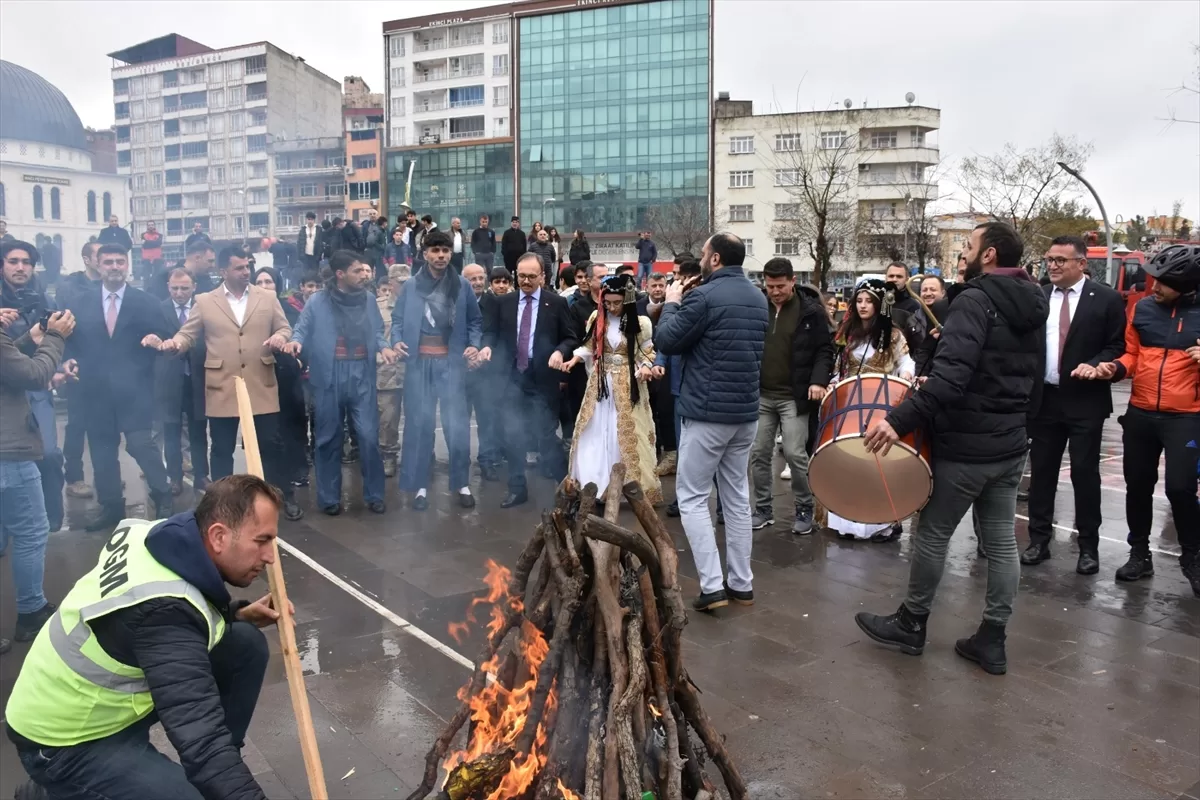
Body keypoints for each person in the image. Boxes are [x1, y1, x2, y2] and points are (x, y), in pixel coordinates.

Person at [5, 475, 286, 800]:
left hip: (99, 701)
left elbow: (158, 624)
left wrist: (235, 614)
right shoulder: (163, 615)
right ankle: (58, 788)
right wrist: (215, 765)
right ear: (219, 536)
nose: (270, 556)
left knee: (244, 643)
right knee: (197, 779)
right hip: (66, 739)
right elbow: (201, 738)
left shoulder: (165, 536)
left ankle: (220, 775)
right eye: (261, 541)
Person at [856, 221, 1047, 676]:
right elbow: (1034, 376)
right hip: (1009, 442)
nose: (963, 251)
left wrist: (896, 420)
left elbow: (952, 380)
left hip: (966, 445)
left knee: (933, 534)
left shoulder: (975, 301)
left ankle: (912, 622)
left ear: (990, 255)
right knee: (1001, 541)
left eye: (970, 244)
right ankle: (993, 639)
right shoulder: (1035, 301)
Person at [1077, 244, 1200, 595]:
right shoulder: (1144, 309)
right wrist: (1113, 368)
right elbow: (1132, 354)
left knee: (1180, 488)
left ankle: (1193, 555)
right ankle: (1139, 553)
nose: (1153, 286)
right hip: (1142, 412)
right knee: (1139, 486)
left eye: (1162, 282)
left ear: (1187, 282)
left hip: (1187, 417)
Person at [655, 233, 768, 611]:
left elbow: (668, 340)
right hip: (745, 414)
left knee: (691, 498)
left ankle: (712, 586)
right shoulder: (758, 296)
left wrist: (672, 303)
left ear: (715, 258)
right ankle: (742, 584)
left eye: (704, 253)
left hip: (706, 414)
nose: (701, 259)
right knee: (736, 498)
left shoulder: (703, 296)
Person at [158, 246, 303, 521]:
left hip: (261, 381)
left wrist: (281, 338)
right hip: (222, 384)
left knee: (270, 444)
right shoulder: (205, 301)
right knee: (222, 448)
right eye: (239, 268)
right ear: (223, 271)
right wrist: (174, 344)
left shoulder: (267, 297)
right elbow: (187, 334)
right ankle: (223, 506)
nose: (246, 271)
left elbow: (284, 327)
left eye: (247, 266)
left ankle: (281, 497)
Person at [1021, 235, 1126, 575]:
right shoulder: (1038, 297)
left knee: (1084, 474)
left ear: (1081, 263)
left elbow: (1116, 345)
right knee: (1042, 474)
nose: (1052, 265)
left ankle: (1088, 547)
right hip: (1044, 400)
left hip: (1085, 400)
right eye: (1049, 259)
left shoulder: (1106, 300)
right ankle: (1038, 540)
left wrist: (1098, 364)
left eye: (1060, 260)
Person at [66, 244, 174, 531]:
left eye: (119, 262)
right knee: (102, 452)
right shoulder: (80, 302)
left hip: (135, 390)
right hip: (95, 390)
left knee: (141, 445)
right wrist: (67, 362)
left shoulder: (147, 302)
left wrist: (157, 338)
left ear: (128, 265)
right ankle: (111, 506)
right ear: (98, 266)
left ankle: (162, 495)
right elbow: (68, 341)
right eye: (108, 262)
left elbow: (165, 335)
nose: (114, 266)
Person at [284, 252, 395, 515]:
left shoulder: (368, 299)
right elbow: (302, 327)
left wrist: (384, 347)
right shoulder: (318, 301)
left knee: (368, 436)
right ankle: (329, 498)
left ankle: (375, 494)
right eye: (357, 271)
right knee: (327, 438)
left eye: (364, 271)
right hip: (329, 373)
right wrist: (296, 341)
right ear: (340, 274)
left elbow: (377, 330)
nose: (364, 275)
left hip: (361, 372)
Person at [0, 296, 74, 652]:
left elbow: (6, 361)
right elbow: (32, 374)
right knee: (31, 531)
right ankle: (31, 611)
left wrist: (29, 338)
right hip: (7, 452)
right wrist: (54, 338)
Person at [391, 231, 482, 510]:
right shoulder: (410, 286)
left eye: (445, 250)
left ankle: (461, 484)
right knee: (420, 425)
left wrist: (474, 345)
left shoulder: (463, 285)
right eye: (435, 251)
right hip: (420, 366)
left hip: (452, 365)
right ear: (425, 254)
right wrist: (396, 341)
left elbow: (475, 323)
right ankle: (419, 486)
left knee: (456, 426)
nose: (441, 255)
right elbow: (396, 320)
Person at [822, 278, 915, 542]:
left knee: (877, 465)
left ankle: (882, 524)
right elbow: (839, 368)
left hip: (881, 404)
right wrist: (832, 384)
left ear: (879, 305)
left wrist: (906, 376)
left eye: (868, 302)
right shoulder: (847, 333)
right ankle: (848, 523)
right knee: (849, 462)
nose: (863, 306)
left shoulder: (893, 335)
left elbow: (907, 362)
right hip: (850, 404)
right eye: (859, 301)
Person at [484, 252, 578, 508]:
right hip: (512, 379)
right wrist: (486, 347)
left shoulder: (555, 303)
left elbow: (570, 338)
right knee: (512, 435)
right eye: (521, 276)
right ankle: (517, 489)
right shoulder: (504, 303)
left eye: (531, 276)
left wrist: (560, 351)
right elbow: (490, 333)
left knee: (546, 437)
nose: (525, 281)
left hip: (542, 381)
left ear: (543, 277)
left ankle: (566, 491)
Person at [749, 258, 834, 536]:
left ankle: (804, 506)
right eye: (770, 285)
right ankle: (763, 508)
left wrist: (818, 380)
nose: (774, 291)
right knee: (759, 452)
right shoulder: (757, 306)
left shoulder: (810, 311)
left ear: (793, 280)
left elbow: (825, 350)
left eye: (780, 286)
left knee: (796, 454)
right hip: (761, 394)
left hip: (793, 396)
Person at [565, 273, 662, 503]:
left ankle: (628, 489)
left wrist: (646, 367)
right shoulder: (596, 319)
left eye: (617, 303)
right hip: (600, 386)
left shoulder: (641, 323)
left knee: (625, 435)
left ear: (626, 300)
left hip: (628, 385)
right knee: (593, 432)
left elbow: (647, 351)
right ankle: (594, 485)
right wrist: (574, 359)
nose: (612, 307)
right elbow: (589, 346)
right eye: (607, 303)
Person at [1, 241, 69, 533]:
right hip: (7, 391)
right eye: (13, 261)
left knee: (50, 453)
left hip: (38, 382)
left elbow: (56, 338)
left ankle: (52, 517)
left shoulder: (41, 295)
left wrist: (61, 366)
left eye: (26, 262)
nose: (20, 267)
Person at [252, 267, 309, 499]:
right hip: (259, 377)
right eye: (260, 282)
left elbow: (304, 339)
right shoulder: (248, 312)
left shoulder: (290, 311)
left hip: (286, 378)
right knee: (266, 431)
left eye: (269, 282)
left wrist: (299, 362)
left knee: (292, 427)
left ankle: (296, 472)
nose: (265, 287)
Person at [155, 267, 209, 495]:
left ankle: (201, 476)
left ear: (194, 287)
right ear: (168, 286)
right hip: (170, 378)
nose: (179, 293)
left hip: (197, 376)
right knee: (171, 430)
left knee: (198, 430)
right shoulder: (159, 309)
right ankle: (174, 477)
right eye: (174, 288)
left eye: (184, 288)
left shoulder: (203, 308)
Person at [60, 242, 102, 500]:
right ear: (87, 259)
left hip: (105, 369)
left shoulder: (113, 286)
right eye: (100, 256)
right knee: (77, 424)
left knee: (103, 427)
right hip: (77, 366)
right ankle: (74, 478)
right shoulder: (70, 289)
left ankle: (105, 475)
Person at [464, 263, 504, 481]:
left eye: (481, 278)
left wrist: (486, 351)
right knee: (459, 420)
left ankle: (487, 461)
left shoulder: (494, 303)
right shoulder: (456, 302)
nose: (478, 282)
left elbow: (498, 333)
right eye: (473, 279)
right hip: (462, 372)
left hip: (487, 373)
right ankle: (459, 462)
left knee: (487, 420)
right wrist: (466, 356)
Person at [376, 269, 408, 478]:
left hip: (414, 369)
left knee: (419, 416)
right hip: (387, 371)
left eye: (407, 281)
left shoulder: (419, 304)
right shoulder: (378, 307)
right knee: (387, 419)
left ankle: (424, 453)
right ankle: (388, 456)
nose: (404, 286)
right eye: (400, 282)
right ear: (390, 282)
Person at [147, 240, 216, 301]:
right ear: (197, 258)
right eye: (210, 261)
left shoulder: (206, 281)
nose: (213, 265)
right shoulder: (164, 277)